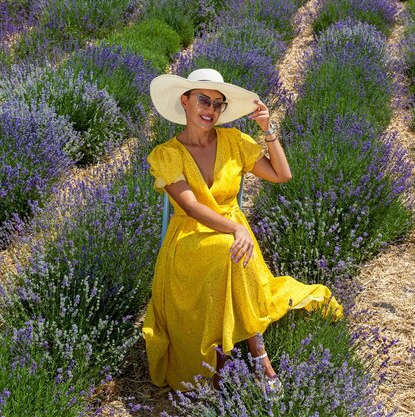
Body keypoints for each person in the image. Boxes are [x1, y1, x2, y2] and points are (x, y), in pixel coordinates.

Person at [142, 68, 343, 395]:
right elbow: (192, 207)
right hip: (189, 240)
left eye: (217, 104)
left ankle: (229, 363)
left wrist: (268, 130)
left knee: (229, 255)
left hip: (232, 237)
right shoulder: (168, 153)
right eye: (203, 101)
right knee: (229, 253)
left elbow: (282, 174)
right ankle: (258, 358)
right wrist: (237, 228)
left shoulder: (234, 141)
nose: (210, 110)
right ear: (185, 101)